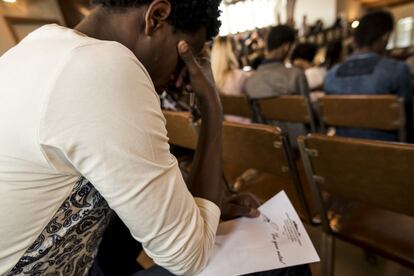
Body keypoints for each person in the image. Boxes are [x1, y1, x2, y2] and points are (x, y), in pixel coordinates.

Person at [0, 0, 264, 275]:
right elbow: (189, 258)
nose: (180, 78)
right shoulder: (102, 67)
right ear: (156, 17)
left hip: (77, 256)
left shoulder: (36, 46)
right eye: (187, 56)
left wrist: (200, 213)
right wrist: (212, 107)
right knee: (276, 266)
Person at [324, 11, 413, 142]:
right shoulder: (397, 70)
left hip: (342, 154)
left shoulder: (331, 74)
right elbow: (407, 121)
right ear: (385, 36)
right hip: (388, 156)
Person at [245, 25, 311, 147]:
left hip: (271, 147)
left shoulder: (250, 82)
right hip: (300, 147)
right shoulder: (296, 76)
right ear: (286, 46)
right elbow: (309, 119)